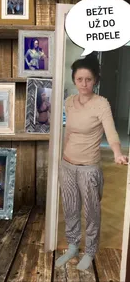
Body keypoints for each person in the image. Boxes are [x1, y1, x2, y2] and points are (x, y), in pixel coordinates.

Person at [55, 53, 128, 271]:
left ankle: (90, 250)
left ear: (95, 79)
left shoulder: (101, 104)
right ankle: (73, 245)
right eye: (79, 79)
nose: (84, 84)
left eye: (88, 79)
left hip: (89, 169)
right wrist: (61, 157)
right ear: (74, 80)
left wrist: (117, 152)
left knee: (92, 212)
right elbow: (69, 131)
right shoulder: (69, 102)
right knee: (70, 208)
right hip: (67, 165)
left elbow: (111, 132)